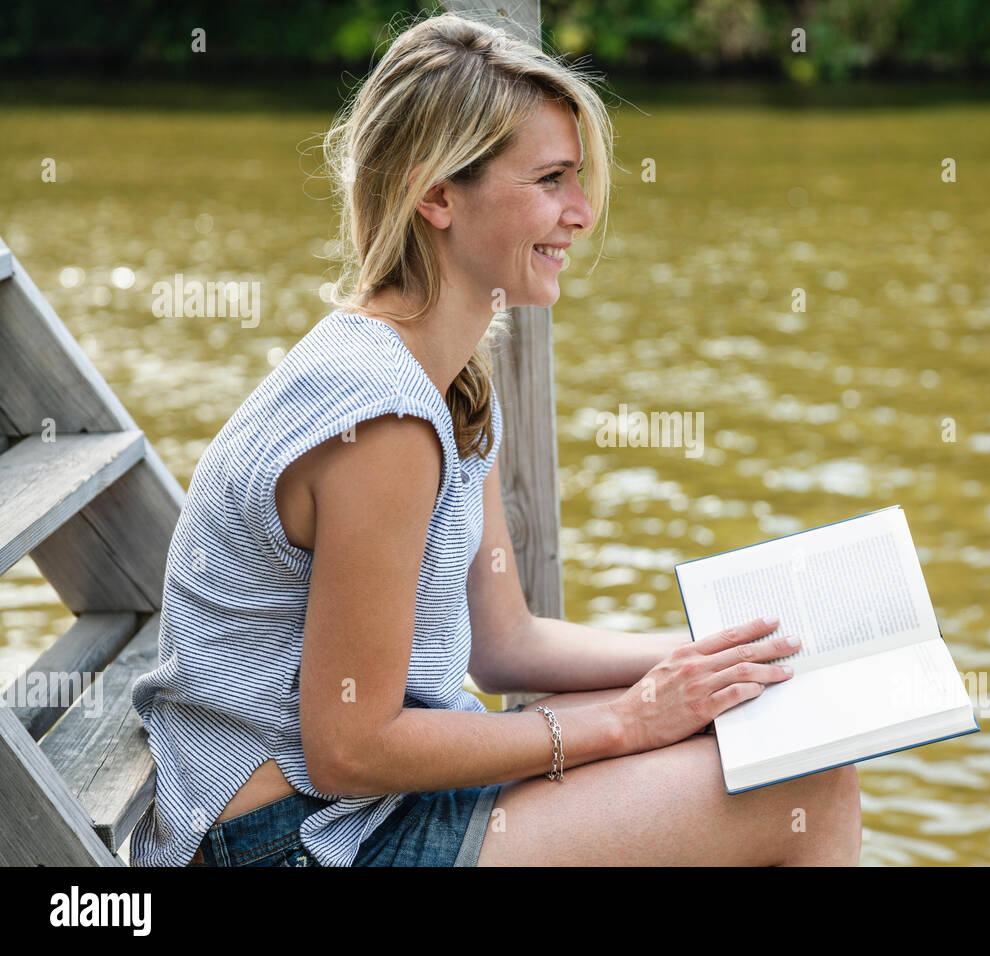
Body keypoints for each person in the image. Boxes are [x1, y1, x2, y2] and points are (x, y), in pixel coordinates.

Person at [128, 11, 861, 868]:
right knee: (809, 790)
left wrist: (726, 660)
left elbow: (504, 645)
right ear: (435, 194)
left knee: (772, 729)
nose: (582, 213)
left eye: (577, 179)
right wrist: (626, 720)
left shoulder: (450, 381)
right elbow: (349, 749)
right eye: (550, 180)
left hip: (363, 812)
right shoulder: (381, 420)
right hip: (299, 843)